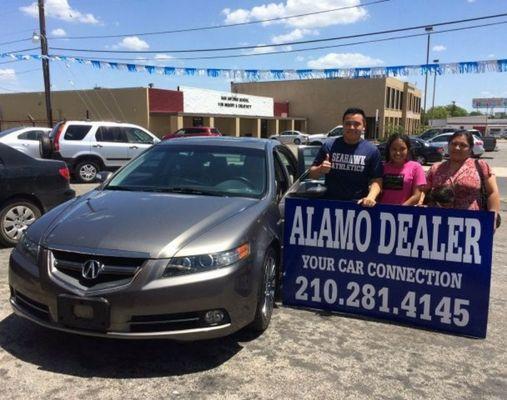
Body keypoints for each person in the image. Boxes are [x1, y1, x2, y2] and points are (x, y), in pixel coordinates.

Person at [423, 130, 501, 228]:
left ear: (470, 149)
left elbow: (492, 192)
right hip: (437, 224)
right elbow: (423, 191)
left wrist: (492, 217)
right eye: (453, 144)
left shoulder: (481, 166)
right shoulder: (436, 168)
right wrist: (420, 204)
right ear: (448, 145)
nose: (457, 148)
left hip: (471, 226)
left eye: (463, 145)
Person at [309, 107, 382, 206]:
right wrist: (321, 169)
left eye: (357, 124)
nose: (352, 127)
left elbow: (377, 180)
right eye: (348, 124)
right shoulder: (329, 146)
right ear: (343, 125)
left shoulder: (372, 151)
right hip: (330, 205)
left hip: (359, 207)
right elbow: (312, 174)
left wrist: (371, 197)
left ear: (364, 126)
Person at [378, 134, 426, 205]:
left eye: (402, 149)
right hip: (382, 212)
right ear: (389, 150)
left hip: (403, 213)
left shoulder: (416, 167)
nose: (398, 153)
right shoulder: (382, 167)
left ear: (408, 149)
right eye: (394, 149)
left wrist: (400, 210)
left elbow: (417, 196)